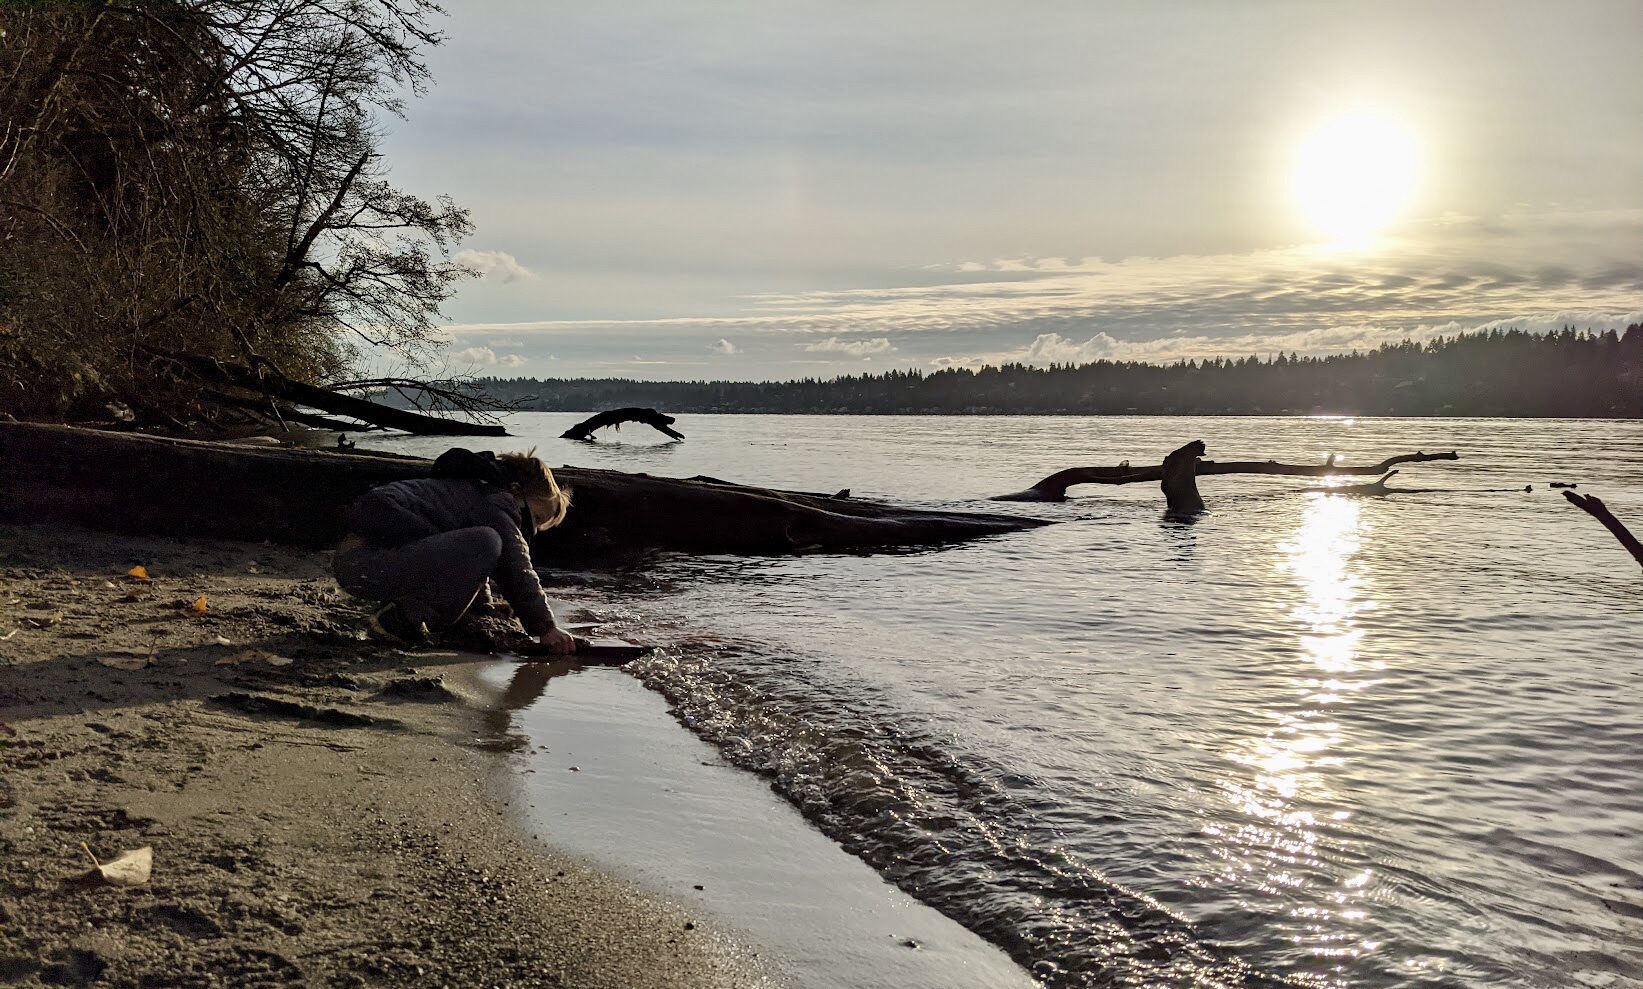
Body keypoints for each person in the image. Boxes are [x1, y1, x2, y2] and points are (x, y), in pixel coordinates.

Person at [333, 449, 577, 653]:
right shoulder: (497, 501)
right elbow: (515, 566)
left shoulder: (473, 491)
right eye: (535, 517)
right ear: (517, 490)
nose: (529, 528)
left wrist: (484, 609)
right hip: (367, 564)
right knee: (488, 541)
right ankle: (398, 622)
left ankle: (401, 613)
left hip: (358, 563)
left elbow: (470, 564)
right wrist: (545, 627)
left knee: (485, 542)